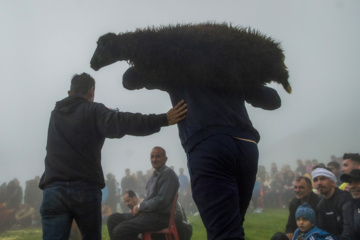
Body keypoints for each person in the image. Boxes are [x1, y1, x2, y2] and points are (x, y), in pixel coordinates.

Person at [122, 66, 283, 239]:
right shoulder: (229, 66)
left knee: (223, 230)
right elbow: (273, 100)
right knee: (233, 224)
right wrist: (243, 76)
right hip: (246, 145)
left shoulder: (177, 67)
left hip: (210, 145)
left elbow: (130, 79)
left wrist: (161, 55)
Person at [38, 73, 187, 240]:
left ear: (69, 93)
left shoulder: (55, 115)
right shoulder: (93, 110)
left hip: (53, 189)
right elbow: (124, 121)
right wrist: (163, 119)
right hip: (84, 189)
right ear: (91, 91)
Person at [107, 146, 180, 240]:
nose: (154, 159)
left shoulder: (168, 174)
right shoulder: (155, 175)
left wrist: (140, 207)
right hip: (148, 214)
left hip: (159, 217)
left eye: (158, 156)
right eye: (152, 157)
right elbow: (149, 198)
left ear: (165, 159)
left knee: (120, 231)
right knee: (112, 219)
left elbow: (162, 200)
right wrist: (141, 210)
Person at [312, 167, 352, 238]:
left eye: (322, 179)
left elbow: (349, 231)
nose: (319, 183)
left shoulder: (344, 199)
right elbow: (321, 230)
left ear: (333, 182)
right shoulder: (320, 205)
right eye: (316, 180)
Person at [340, 169, 360, 239]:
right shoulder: (348, 208)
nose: (352, 186)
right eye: (350, 183)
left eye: (357, 181)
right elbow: (347, 235)